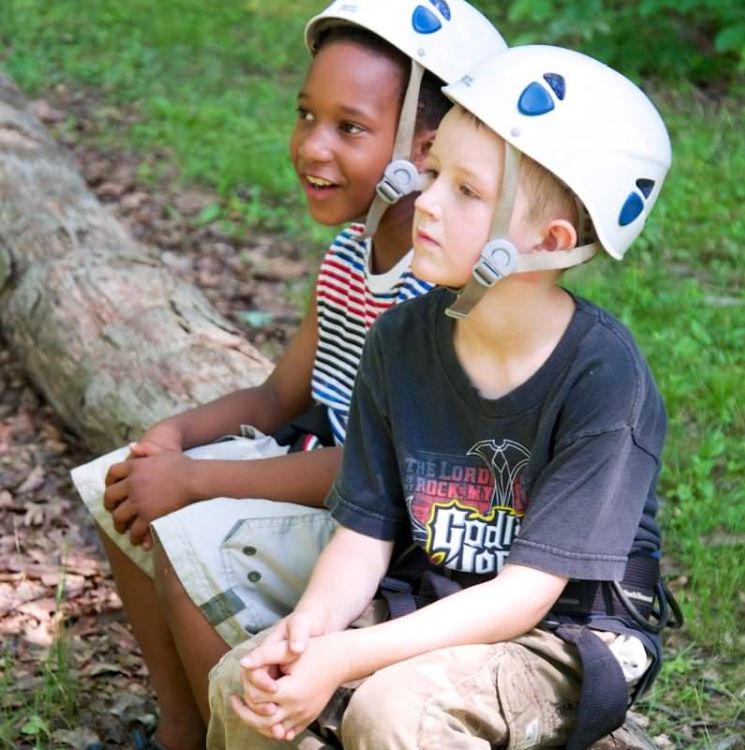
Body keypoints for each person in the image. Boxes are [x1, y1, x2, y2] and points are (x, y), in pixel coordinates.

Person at [207, 44, 682, 750]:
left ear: (546, 242)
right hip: (436, 591)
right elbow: (364, 535)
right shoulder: (399, 340)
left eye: (466, 191)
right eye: (433, 173)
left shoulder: (603, 380)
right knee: (243, 678)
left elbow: (527, 594)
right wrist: (312, 627)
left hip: (566, 633)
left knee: (398, 714)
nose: (423, 201)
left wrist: (346, 656)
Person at [71, 3, 506, 750]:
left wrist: (196, 483)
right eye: (307, 114)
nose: (311, 145)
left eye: (349, 128)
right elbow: (282, 395)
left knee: (186, 540)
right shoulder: (349, 254)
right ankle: (182, 727)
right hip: (326, 487)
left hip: (388, 534)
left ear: (427, 150)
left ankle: (245, 737)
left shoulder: (443, 296)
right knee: (120, 488)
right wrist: (171, 439)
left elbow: (389, 473)